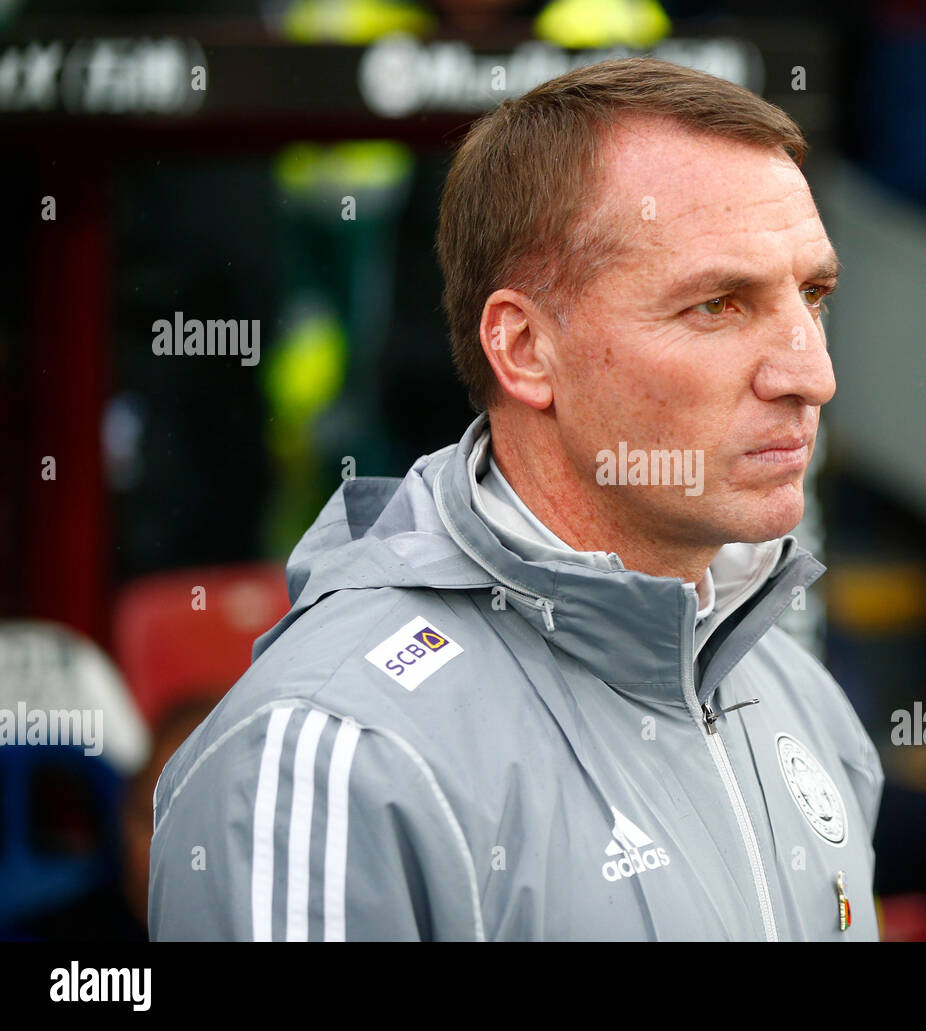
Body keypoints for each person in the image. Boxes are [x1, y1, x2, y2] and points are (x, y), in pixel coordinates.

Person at [149, 57, 885, 941]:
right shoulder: (333, 754)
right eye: (720, 305)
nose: (812, 373)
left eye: (813, 296)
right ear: (526, 349)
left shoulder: (797, 694)